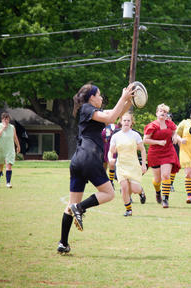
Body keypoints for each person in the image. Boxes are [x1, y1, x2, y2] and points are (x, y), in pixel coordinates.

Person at [57, 82, 135, 254]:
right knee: (109, 193)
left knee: (71, 204)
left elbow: (115, 115)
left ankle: (63, 243)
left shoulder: (92, 112)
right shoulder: (86, 108)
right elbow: (109, 118)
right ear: (91, 97)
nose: (101, 98)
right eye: (99, 95)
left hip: (78, 160)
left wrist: (129, 100)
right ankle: (81, 208)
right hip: (90, 158)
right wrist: (123, 97)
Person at [109, 112, 147, 217]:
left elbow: (143, 150)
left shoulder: (135, 135)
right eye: (124, 120)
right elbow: (111, 150)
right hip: (121, 165)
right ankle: (128, 210)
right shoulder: (116, 136)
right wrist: (110, 158)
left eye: (128, 120)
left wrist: (143, 164)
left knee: (134, 189)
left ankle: (141, 192)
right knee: (124, 187)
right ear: (121, 122)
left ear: (131, 123)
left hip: (133, 165)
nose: (126, 122)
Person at [143, 103, 180, 208]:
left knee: (166, 175)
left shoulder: (169, 123)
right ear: (156, 113)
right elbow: (145, 140)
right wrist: (158, 142)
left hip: (168, 152)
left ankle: (165, 199)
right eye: (161, 111)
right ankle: (158, 192)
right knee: (157, 180)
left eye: (165, 112)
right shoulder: (152, 126)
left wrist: (175, 136)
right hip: (155, 153)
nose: (163, 113)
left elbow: (174, 131)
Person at [0, 112, 20, 188]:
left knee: (9, 166)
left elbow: (15, 137)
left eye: (7, 119)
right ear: (2, 120)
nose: (6, 120)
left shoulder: (12, 127)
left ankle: (8, 183)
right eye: (4, 119)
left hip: (9, 149)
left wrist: (18, 146)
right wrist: (3, 129)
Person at [102, 122, 118, 189]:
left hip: (110, 147)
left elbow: (107, 139)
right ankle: (105, 182)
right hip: (103, 147)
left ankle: (110, 182)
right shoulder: (102, 126)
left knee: (111, 164)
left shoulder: (112, 127)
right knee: (103, 166)